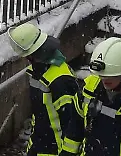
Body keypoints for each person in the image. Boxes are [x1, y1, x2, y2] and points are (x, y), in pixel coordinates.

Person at [9, 22, 84, 155]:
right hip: (40, 144)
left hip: (54, 149)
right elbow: (41, 113)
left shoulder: (61, 81)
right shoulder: (38, 70)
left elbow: (73, 123)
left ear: (30, 55)